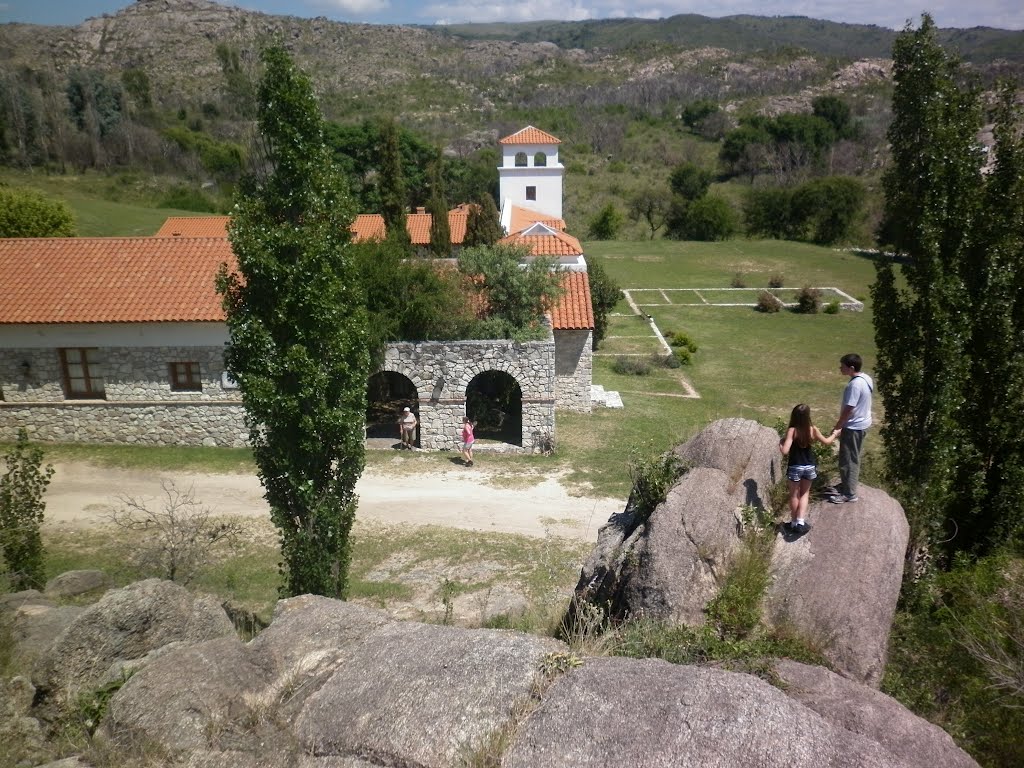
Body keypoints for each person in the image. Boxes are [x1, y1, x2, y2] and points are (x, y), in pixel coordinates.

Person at [779, 403, 838, 535]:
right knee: (805, 494)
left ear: (794, 416)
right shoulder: (813, 430)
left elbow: (785, 451)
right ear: (807, 416)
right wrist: (835, 434)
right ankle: (801, 522)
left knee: (794, 495)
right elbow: (827, 441)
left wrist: (781, 444)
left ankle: (793, 523)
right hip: (809, 466)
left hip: (795, 466)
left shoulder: (792, 431)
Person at [830, 353, 874, 504]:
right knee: (853, 457)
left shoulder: (855, 385)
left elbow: (849, 409)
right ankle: (847, 484)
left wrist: (838, 426)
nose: (840, 368)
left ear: (851, 368)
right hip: (863, 424)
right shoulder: (866, 378)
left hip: (854, 427)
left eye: (842, 366)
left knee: (848, 460)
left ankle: (849, 494)